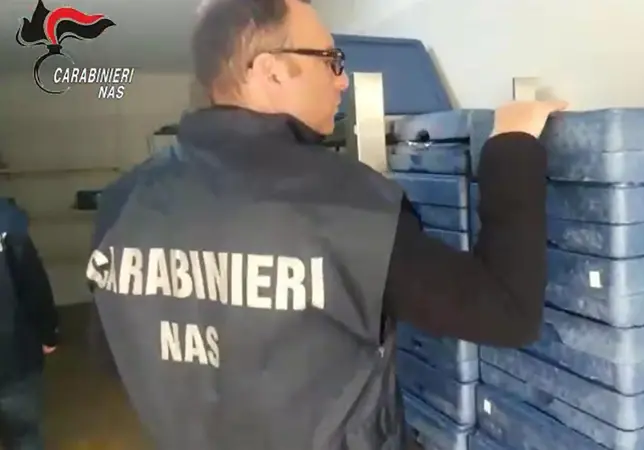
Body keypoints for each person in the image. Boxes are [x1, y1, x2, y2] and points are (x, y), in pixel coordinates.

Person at [84, 0, 564, 448]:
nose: (342, 80)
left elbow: (115, 354)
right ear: (271, 71)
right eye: (331, 60)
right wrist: (512, 145)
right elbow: (506, 311)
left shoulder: (123, 201)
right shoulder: (349, 204)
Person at [0, 199, 59, 450]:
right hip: (14, 356)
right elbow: (34, 285)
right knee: (24, 435)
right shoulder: (7, 221)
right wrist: (48, 333)